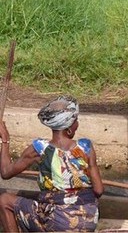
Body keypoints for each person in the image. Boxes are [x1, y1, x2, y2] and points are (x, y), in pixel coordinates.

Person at [0, 95, 104, 232]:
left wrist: (5, 140)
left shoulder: (40, 149)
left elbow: (6, 172)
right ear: (69, 129)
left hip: (57, 221)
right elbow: (99, 190)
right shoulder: (86, 147)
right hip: (89, 219)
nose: (77, 125)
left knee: (4, 200)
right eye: (76, 121)